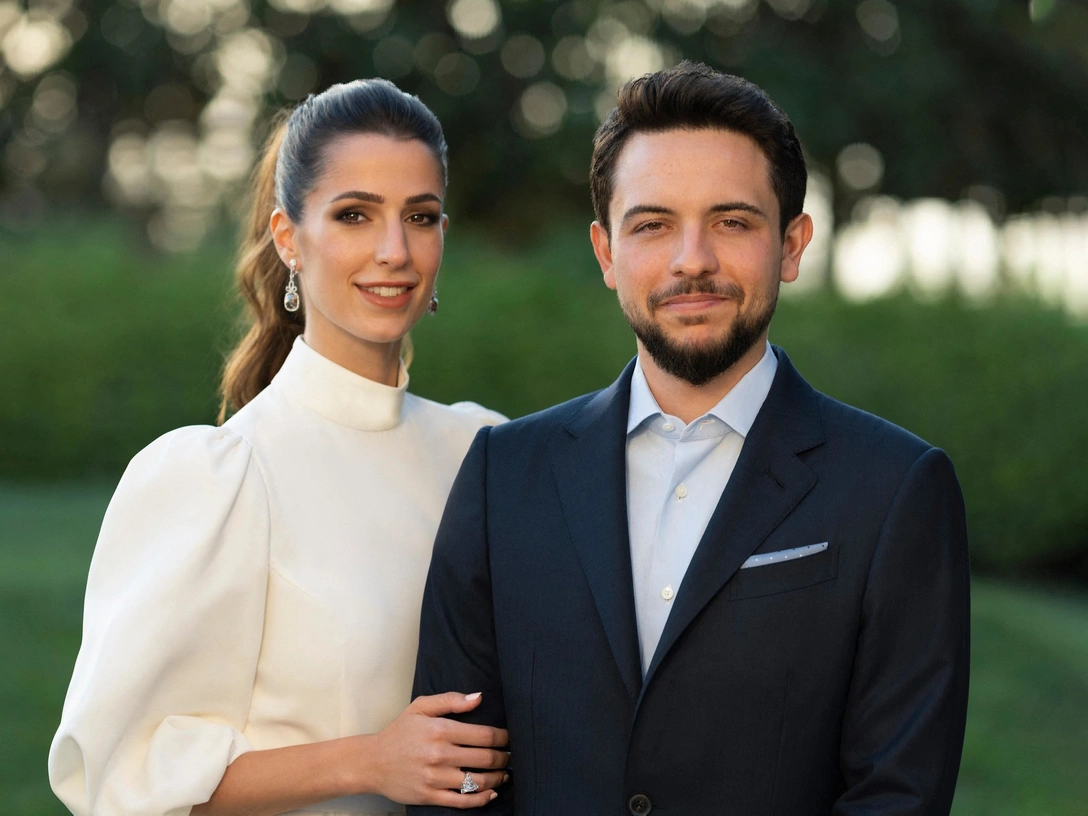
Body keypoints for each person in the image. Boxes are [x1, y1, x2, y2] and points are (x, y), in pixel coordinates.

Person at [411, 62, 970, 815]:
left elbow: (899, 796)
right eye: (652, 225)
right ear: (607, 253)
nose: (692, 260)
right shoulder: (503, 475)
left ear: (792, 245)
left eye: (732, 222)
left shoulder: (896, 489)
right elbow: (451, 777)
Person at [49, 79, 512, 816]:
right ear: (289, 238)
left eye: (419, 217)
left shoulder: (482, 450)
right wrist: (369, 760)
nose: (394, 251)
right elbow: (121, 776)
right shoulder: (220, 476)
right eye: (355, 215)